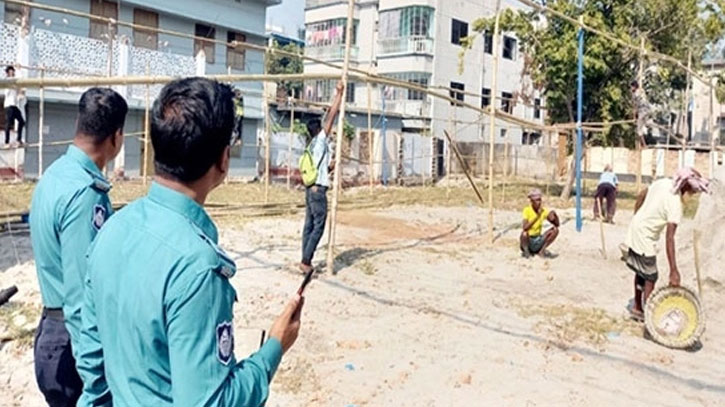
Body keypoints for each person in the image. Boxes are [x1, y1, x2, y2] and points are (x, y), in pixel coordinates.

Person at [76, 78, 303, 407]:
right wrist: (274, 348)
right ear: (224, 160)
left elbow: (92, 360)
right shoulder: (198, 269)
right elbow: (211, 402)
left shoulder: (112, 229)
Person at [29, 87, 127, 407]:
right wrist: (96, 375)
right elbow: (82, 295)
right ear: (116, 137)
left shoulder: (55, 175)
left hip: (51, 329)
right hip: (71, 344)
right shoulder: (86, 194)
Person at [624, 167, 709, 322]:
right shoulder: (675, 204)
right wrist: (673, 270)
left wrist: (639, 215)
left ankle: (637, 308)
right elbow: (670, 238)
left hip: (636, 227)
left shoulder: (664, 183)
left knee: (640, 271)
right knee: (650, 275)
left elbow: (644, 194)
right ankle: (649, 315)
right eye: (693, 192)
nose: (693, 195)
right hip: (645, 236)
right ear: (686, 187)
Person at [299, 81, 344, 274]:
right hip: (318, 190)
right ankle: (306, 261)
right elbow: (332, 116)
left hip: (311, 188)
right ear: (319, 130)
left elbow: (320, 168)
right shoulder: (320, 140)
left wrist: (330, 168)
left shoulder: (311, 146)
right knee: (318, 225)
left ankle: (305, 258)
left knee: (309, 224)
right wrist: (339, 94)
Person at [520, 189, 560, 258]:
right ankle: (527, 252)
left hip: (538, 238)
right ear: (532, 201)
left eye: (540, 200)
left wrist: (555, 216)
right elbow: (525, 227)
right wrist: (537, 216)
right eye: (537, 200)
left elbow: (557, 224)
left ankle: (541, 251)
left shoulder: (543, 211)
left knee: (555, 230)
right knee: (524, 234)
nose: (539, 202)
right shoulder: (527, 210)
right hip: (529, 240)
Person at [4, 66, 26, 146]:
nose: (12, 72)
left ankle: (18, 139)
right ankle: (7, 142)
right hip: (9, 105)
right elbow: (15, 81)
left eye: (12, 71)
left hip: (14, 105)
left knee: (22, 121)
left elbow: (20, 80)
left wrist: (19, 69)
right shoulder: (7, 80)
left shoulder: (15, 82)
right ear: (8, 73)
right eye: (10, 71)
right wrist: (19, 69)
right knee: (8, 123)